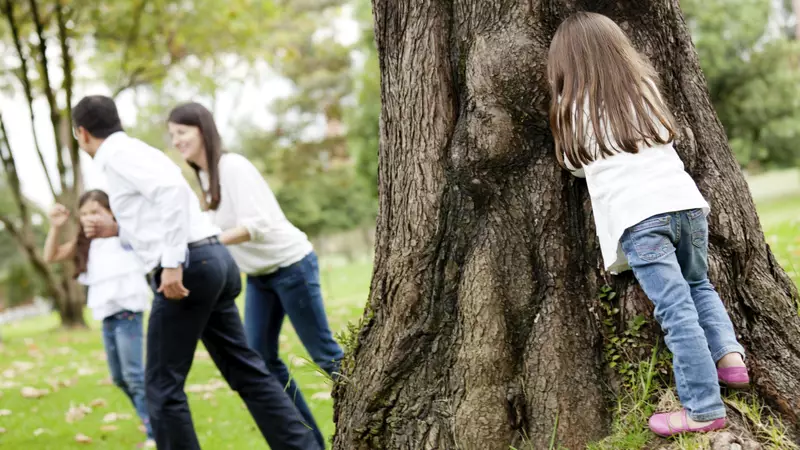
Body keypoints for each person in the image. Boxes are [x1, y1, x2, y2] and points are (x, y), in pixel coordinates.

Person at [71, 95, 320, 450]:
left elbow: (172, 194)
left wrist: (172, 264)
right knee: (248, 372)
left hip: (187, 268)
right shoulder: (137, 151)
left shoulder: (117, 156)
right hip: (211, 258)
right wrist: (119, 230)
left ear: (82, 133)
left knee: (161, 386)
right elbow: (159, 215)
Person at [547, 12, 749, 437]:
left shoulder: (571, 111)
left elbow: (575, 166)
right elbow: (667, 137)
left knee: (676, 311)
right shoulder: (644, 91)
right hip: (686, 207)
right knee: (699, 286)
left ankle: (703, 408)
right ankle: (730, 360)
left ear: (564, 65)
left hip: (640, 219)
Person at [167, 102, 343, 447]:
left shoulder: (233, 167)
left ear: (202, 130)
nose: (176, 140)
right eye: (172, 134)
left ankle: (376, 413)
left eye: (182, 132)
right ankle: (308, 442)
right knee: (261, 359)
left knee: (323, 353)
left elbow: (257, 224)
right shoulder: (204, 177)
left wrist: (207, 242)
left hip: (291, 265)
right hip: (260, 277)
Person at [43, 190, 155, 449]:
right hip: (107, 317)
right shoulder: (85, 244)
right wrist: (56, 227)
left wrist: (119, 227)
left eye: (95, 211)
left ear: (110, 211)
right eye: (83, 214)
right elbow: (51, 256)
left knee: (134, 376)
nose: (89, 218)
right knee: (118, 377)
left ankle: (155, 431)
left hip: (128, 312)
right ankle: (154, 420)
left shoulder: (123, 236)